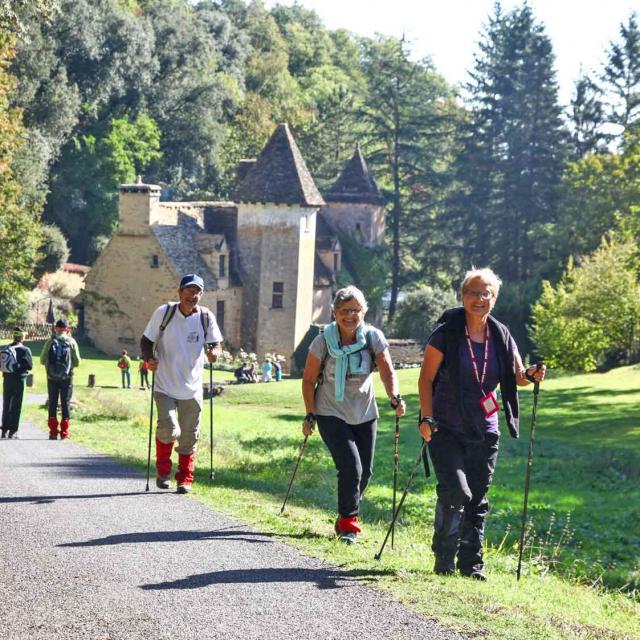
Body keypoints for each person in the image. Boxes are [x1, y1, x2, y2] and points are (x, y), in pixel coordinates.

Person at [417, 267, 546, 581]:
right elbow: (426, 378)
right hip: (444, 426)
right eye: (472, 292)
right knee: (455, 491)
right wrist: (426, 416)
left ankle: (471, 564)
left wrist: (529, 375)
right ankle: (444, 559)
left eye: (485, 293)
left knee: (477, 496)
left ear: (494, 298)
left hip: (484, 428)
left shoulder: (501, 335)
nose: (478, 298)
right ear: (462, 296)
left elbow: (516, 377)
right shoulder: (445, 333)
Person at [301, 285, 406, 544]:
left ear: (364, 312)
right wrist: (310, 413)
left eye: (356, 310)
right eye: (345, 311)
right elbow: (308, 380)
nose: (351, 316)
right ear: (334, 313)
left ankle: (344, 515)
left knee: (365, 472)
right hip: (330, 410)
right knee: (351, 467)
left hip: (364, 411)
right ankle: (349, 523)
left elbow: (387, 372)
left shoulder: (373, 337)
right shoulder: (323, 341)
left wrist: (394, 397)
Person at [141, 273, 223, 494]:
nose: (192, 295)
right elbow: (146, 341)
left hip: (193, 387)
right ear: (180, 292)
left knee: (189, 435)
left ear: (201, 294)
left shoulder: (206, 317)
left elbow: (215, 344)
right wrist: (149, 359)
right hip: (164, 384)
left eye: (197, 291)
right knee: (168, 428)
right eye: (188, 290)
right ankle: (163, 472)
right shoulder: (164, 313)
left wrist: (214, 353)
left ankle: (185, 479)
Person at [41, 319, 81, 440]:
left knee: (52, 403)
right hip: (67, 378)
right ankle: (64, 432)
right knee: (65, 403)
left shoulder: (50, 341)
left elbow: (42, 360)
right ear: (66, 329)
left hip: (51, 377)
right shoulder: (71, 341)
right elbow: (77, 362)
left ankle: (53, 432)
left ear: (56, 329)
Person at [1, 328, 33, 439]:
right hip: (19, 380)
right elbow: (30, 366)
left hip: (7, 379)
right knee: (16, 405)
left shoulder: (5, 348)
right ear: (21, 337)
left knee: (6, 404)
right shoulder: (25, 350)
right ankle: (13, 432)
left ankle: (4, 430)